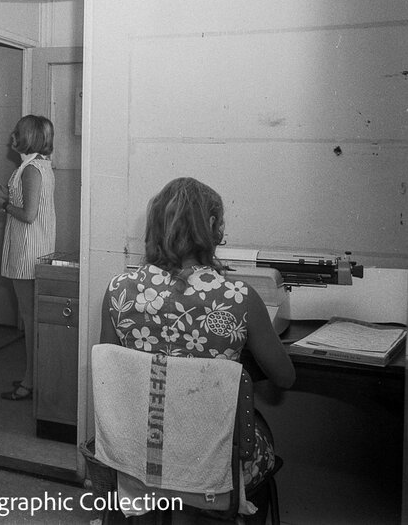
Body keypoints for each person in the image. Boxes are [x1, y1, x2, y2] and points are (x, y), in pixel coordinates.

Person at [100, 177, 294, 489]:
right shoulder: (240, 296)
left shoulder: (118, 289)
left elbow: (111, 375)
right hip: (214, 464)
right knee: (261, 431)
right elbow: (285, 378)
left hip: (138, 454)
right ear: (213, 225)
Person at [0, 115, 56, 401]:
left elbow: (28, 215)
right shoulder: (37, 165)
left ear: (26, 137)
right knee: (32, 319)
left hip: (28, 252)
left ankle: (30, 382)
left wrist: (3, 204)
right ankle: (34, 376)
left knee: (30, 319)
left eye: (16, 132)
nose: (11, 136)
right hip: (34, 248)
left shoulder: (30, 170)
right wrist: (8, 199)